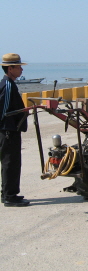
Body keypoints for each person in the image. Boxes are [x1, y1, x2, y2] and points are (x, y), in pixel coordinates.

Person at [0, 53, 30, 207]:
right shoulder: (8, 85)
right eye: (18, 67)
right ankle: (10, 196)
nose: (21, 70)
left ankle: (7, 193)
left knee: (10, 162)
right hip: (8, 130)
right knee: (10, 163)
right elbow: (4, 111)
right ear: (10, 68)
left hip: (9, 129)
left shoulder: (9, 84)